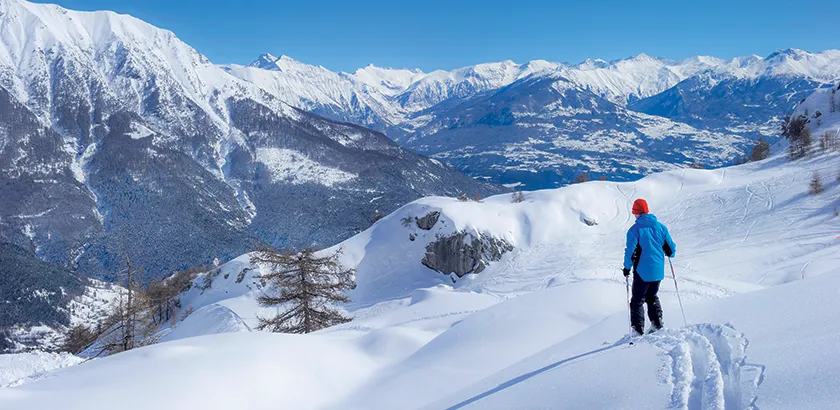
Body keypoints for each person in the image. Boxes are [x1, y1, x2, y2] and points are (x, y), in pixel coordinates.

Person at [623, 198, 676, 336]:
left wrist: (626, 268)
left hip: (642, 271)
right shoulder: (661, 227)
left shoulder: (634, 230)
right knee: (652, 296)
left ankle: (637, 330)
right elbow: (672, 250)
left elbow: (630, 251)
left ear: (636, 212)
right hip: (658, 271)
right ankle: (657, 324)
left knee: (637, 300)